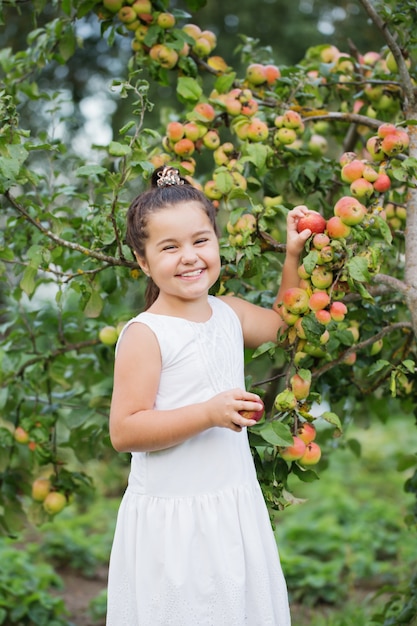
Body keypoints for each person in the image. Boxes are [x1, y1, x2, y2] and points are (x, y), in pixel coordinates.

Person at [106, 166, 312, 626]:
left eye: (200, 241)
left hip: (231, 507)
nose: (190, 258)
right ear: (143, 261)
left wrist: (293, 256)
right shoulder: (147, 334)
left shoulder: (228, 312)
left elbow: (283, 325)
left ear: (217, 243)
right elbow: (125, 430)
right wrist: (207, 412)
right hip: (176, 525)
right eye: (169, 247)